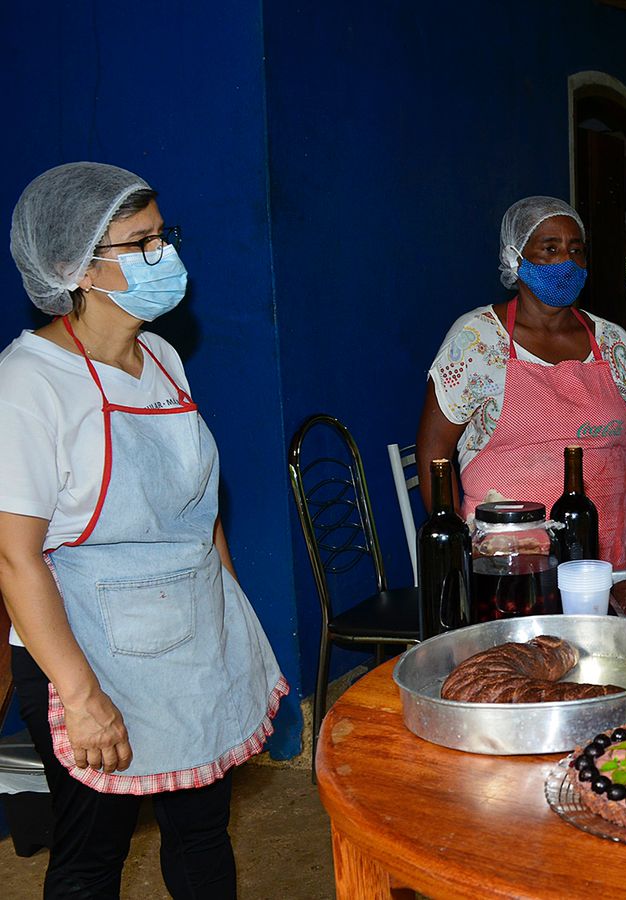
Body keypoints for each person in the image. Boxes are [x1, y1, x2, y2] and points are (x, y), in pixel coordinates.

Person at [0, 162, 287, 898]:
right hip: (86, 646)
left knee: (201, 832)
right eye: (140, 244)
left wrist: (232, 623)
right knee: (92, 853)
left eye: (164, 236)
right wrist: (82, 692)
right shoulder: (29, 383)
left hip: (190, 639)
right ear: (75, 268)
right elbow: (15, 557)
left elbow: (198, 508)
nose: (166, 255)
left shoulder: (161, 356)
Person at [417, 197, 626, 567]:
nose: (567, 262)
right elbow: (435, 451)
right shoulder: (477, 341)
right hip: (504, 560)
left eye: (577, 250)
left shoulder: (613, 342)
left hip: (605, 553)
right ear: (515, 257)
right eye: (550, 249)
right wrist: (459, 553)